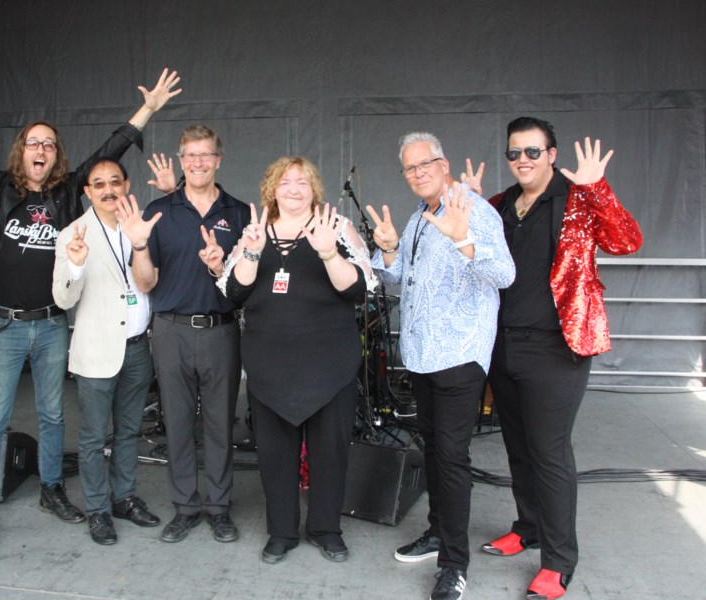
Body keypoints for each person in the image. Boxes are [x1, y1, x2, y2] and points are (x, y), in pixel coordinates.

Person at [0, 44, 180, 553]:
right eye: (34, 142)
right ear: (22, 150)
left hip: (52, 323)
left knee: (53, 415)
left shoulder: (67, 195)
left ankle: (52, 491)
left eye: (51, 144)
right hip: (2, 323)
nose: (42, 149)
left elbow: (114, 148)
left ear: (58, 157)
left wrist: (148, 108)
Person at [465, 118, 642, 600]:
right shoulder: (501, 205)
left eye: (532, 152)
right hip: (503, 344)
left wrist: (598, 188)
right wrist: (472, 206)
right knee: (518, 447)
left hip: (556, 347)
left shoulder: (579, 198)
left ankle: (559, 560)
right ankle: (528, 528)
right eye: (514, 153)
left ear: (553, 154)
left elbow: (627, 241)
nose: (522, 160)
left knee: (549, 451)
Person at [366, 133, 515, 600]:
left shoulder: (473, 210)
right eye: (409, 168)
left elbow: (504, 274)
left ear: (444, 163)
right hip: (422, 355)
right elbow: (395, 280)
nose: (417, 173)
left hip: (458, 356)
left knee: (451, 458)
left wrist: (465, 240)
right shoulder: (417, 218)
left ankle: (455, 564)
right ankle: (436, 533)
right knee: (433, 450)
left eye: (424, 164)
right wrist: (388, 249)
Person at [217, 156, 377, 564]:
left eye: (302, 181)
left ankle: (326, 529)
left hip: (330, 365)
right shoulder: (254, 233)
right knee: (274, 454)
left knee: (330, 452)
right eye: (285, 181)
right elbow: (235, 291)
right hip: (270, 366)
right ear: (272, 189)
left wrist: (328, 253)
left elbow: (356, 289)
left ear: (314, 189)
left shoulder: (336, 229)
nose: (294, 188)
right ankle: (281, 532)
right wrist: (251, 253)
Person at [115, 125, 248, 544]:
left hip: (221, 331)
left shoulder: (240, 213)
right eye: (189, 155)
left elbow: (249, 281)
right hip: (170, 331)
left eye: (205, 154)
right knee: (176, 423)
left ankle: (219, 508)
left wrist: (220, 263)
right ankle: (186, 507)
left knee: (219, 424)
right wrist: (138, 246)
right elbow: (147, 282)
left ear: (218, 159)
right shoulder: (158, 211)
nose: (197, 162)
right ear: (180, 160)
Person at [52, 158, 160, 545]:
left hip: (136, 348)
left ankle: (124, 498)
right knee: (94, 437)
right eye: (99, 184)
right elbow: (63, 298)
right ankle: (98, 510)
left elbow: (150, 282)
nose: (108, 189)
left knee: (130, 431)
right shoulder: (72, 234)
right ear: (87, 192)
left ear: (127, 185)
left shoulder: (141, 226)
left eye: (115, 181)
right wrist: (77, 266)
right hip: (97, 351)